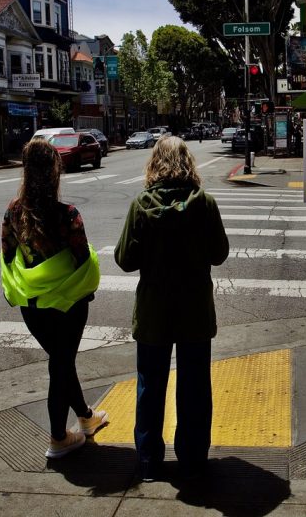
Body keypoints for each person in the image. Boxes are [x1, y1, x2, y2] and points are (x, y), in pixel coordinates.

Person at [115, 136, 229, 481]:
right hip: (194, 310)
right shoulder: (204, 204)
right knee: (194, 387)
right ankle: (193, 459)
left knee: (150, 386)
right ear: (187, 163)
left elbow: (124, 259)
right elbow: (219, 254)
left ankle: (149, 461)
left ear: (155, 164)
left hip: (153, 311)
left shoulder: (141, 205)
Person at [0, 138, 108, 459]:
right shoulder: (68, 215)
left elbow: (8, 256)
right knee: (61, 364)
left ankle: (86, 418)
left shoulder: (12, 213)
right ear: (55, 171)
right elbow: (81, 259)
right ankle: (58, 438)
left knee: (63, 361)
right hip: (69, 306)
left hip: (33, 308)